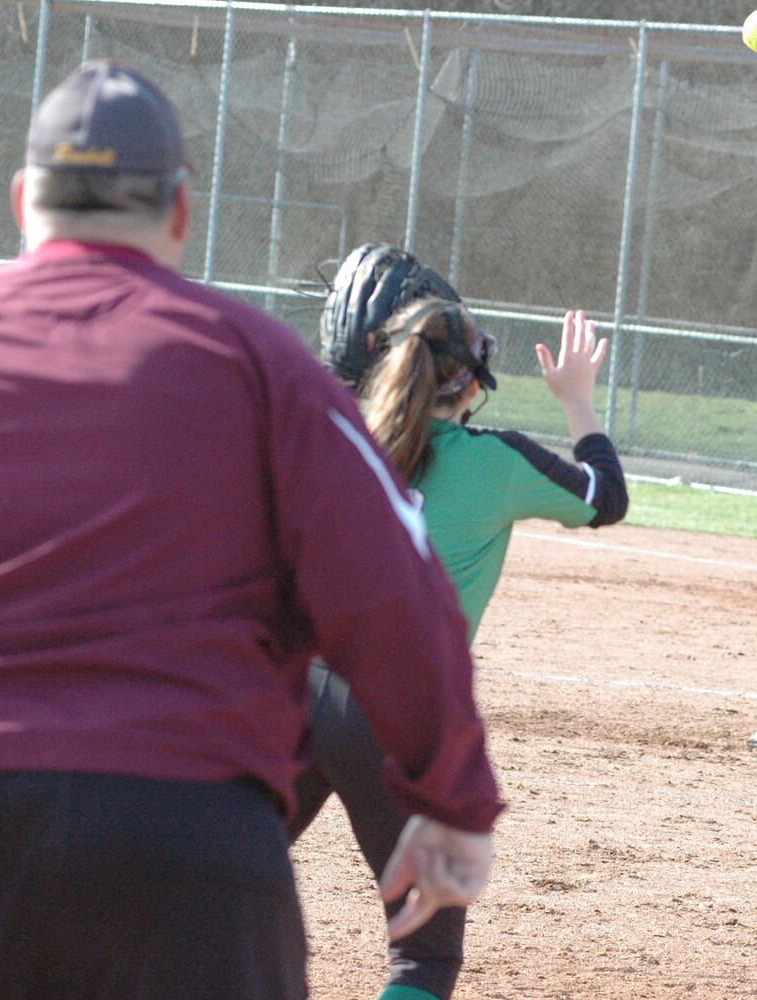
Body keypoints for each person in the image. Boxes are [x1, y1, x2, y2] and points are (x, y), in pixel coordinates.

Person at [0, 62, 502, 1000]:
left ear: (21, 202)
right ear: (178, 213)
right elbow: (399, 603)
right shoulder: (265, 372)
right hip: (180, 838)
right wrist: (452, 799)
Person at [293, 252, 627, 1000]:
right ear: (467, 381)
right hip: (398, 712)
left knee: (200, 890)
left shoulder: (323, 442)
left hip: (293, 691)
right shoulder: (493, 460)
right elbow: (607, 498)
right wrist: (577, 400)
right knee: (422, 958)